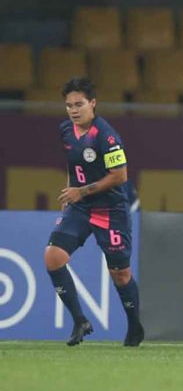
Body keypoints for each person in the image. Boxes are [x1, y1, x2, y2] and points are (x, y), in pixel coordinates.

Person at [45, 77, 143, 347]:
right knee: (53, 257)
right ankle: (80, 320)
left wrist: (82, 190)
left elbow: (120, 176)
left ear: (93, 104)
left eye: (79, 104)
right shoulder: (66, 130)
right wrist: (70, 192)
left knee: (120, 274)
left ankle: (134, 326)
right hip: (79, 207)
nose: (73, 110)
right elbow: (72, 166)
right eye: (68, 105)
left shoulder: (107, 136)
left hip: (110, 209)